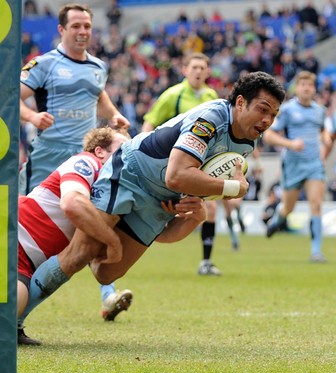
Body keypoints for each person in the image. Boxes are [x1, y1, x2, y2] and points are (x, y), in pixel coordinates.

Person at [23, 72, 285, 314]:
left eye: (273, 115)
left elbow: (196, 186)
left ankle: (103, 236)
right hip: (131, 173)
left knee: (106, 273)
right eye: (263, 109)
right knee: (80, 253)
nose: (267, 120)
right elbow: (177, 175)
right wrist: (233, 188)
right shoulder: (211, 118)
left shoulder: (249, 141)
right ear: (240, 103)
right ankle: (15, 320)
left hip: (161, 198)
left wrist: (195, 207)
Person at [19, 3, 130, 322]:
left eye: (87, 26)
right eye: (76, 26)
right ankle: (16, 300)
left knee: (97, 221)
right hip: (48, 161)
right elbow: (13, 95)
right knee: (29, 232)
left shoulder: (97, 66)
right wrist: (31, 116)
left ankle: (108, 291)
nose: (83, 31)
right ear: (61, 30)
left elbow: (99, 96)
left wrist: (114, 114)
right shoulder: (44, 64)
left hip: (89, 163)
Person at [18, 127, 132, 346]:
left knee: (11, 310)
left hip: (25, 262)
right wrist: (112, 241)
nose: (126, 155)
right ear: (99, 151)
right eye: (121, 149)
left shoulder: (115, 187)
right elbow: (72, 203)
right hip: (13, 232)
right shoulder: (87, 162)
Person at [141, 52, 242, 275]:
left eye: (202, 68)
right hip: (170, 164)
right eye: (193, 67)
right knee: (163, 209)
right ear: (185, 70)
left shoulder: (212, 96)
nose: (198, 72)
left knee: (211, 208)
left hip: (201, 164)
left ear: (208, 72)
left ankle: (206, 262)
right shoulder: (173, 95)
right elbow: (149, 124)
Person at [263, 71, 331, 263]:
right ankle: (278, 219)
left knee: (316, 204)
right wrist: (291, 144)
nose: (307, 88)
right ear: (297, 88)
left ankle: (316, 251)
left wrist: (325, 137)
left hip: (314, 164)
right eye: (303, 85)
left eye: (310, 85)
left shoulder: (319, 110)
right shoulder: (287, 110)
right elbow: (269, 135)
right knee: (288, 208)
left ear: (314, 88)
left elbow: (323, 130)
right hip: (293, 164)